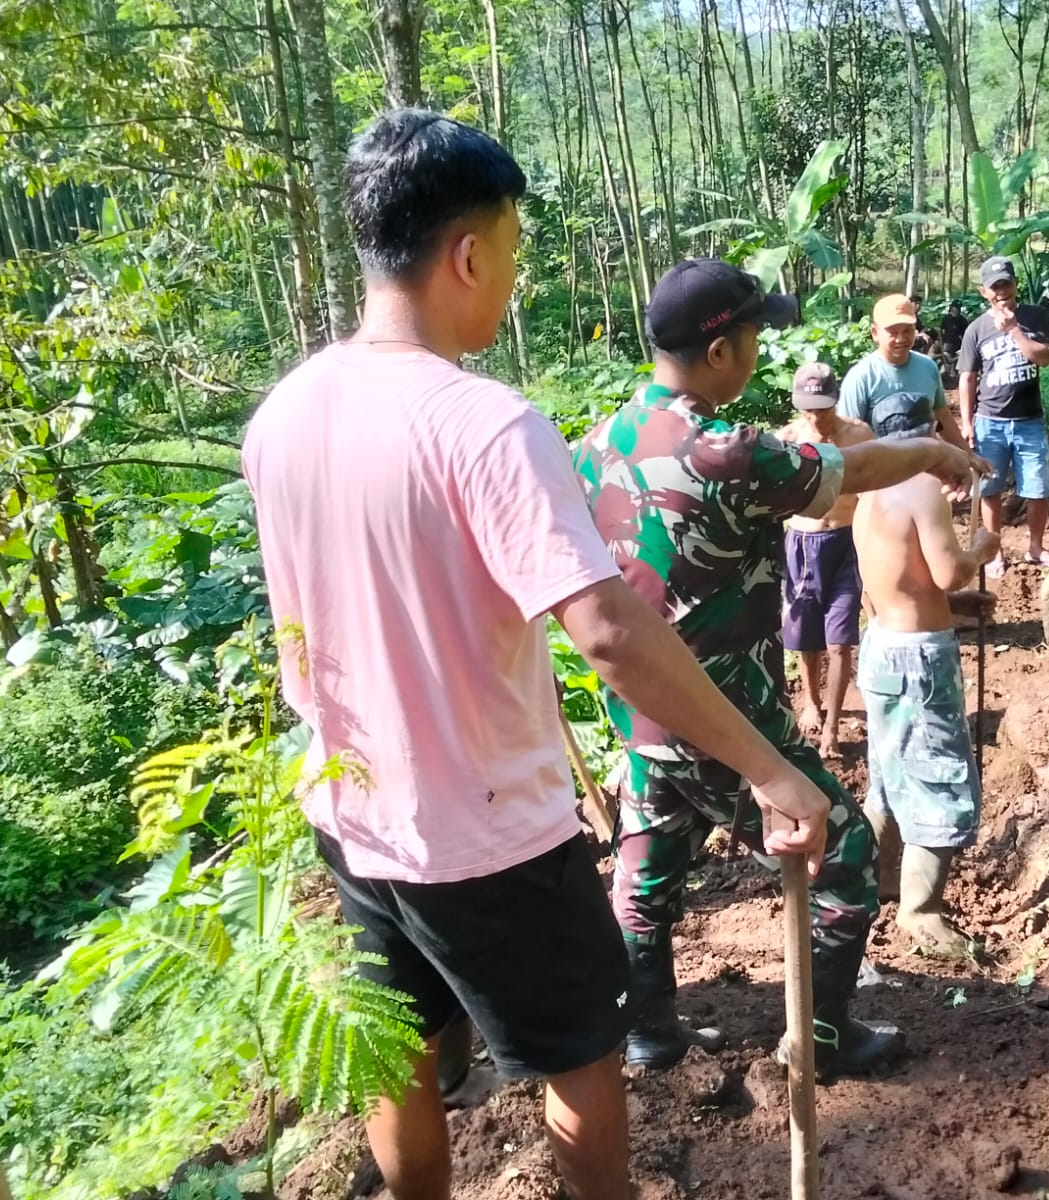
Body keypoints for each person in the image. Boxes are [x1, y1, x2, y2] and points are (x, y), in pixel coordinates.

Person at [243, 111, 839, 1200]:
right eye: (513, 252)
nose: (512, 280)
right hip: (488, 836)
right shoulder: (483, 423)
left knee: (402, 1062)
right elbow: (606, 630)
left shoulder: (282, 414)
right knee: (580, 1063)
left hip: (351, 816)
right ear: (467, 255)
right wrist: (768, 768)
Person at [574, 258, 986, 1080]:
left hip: (643, 709)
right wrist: (930, 452)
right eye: (755, 335)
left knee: (647, 868)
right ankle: (821, 1036)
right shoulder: (725, 452)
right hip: (727, 712)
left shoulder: (593, 446)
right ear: (719, 350)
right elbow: (851, 471)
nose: (760, 350)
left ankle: (649, 1029)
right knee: (845, 854)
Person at [853, 390, 1001, 957]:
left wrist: (952, 607)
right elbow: (946, 572)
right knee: (937, 775)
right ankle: (922, 913)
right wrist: (981, 550)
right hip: (918, 660)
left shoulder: (868, 492)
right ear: (928, 441)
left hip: (882, 643)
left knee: (890, 770)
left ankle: (877, 884)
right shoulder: (919, 488)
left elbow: (894, 578)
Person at [775, 363, 875, 759]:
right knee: (806, 637)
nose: (817, 417)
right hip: (803, 544)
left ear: (835, 400)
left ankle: (832, 725)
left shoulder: (859, 435)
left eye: (824, 408)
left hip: (848, 541)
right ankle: (811, 703)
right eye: (809, 409)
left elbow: (876, 490)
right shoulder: (787, 440)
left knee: (840, 641)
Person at [956, 256, 1049, 577]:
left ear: (1016, 285)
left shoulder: (1035, 316)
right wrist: (967, 423)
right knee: (991, 490)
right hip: (990, 422)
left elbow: (1043, 358)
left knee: (1038, 489)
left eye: (1006, 284)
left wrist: (1014, 329)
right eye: (995, 287)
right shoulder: (976, 329)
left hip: (1030, 421)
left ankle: (1036, 547)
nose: (1002, 292)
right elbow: (967, 378)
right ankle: (994, 552)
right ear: (984, 291)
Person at [839, 293, 966, 449]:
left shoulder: (928, 367)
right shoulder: (861, 377)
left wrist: (969, 455)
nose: (901, 338)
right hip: (879, 462)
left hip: (925, 460)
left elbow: (942, 415)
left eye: (907, 330)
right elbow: (847, 435)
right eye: (892, 332)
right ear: (875, 333)